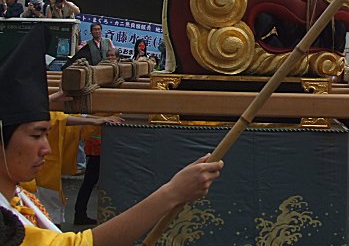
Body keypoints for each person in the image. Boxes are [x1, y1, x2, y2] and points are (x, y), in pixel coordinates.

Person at [0, 24, 224, 246]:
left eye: (47, 134)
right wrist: (173, 192)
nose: (47, 149)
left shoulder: (17, 193)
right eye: (36, 135)